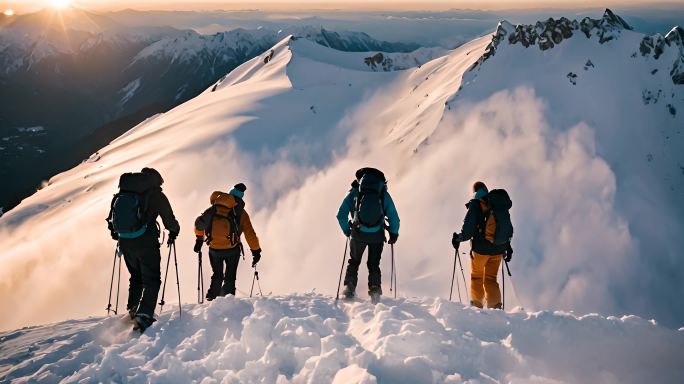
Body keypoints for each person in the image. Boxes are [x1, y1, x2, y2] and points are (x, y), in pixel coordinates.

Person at [107, 167, 180, 331]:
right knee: (152, 279)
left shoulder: (125, 192)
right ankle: (144, 315)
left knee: (136, 276)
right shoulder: (156, 194)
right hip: (146, 241)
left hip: (125, 240)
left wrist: (118, 235)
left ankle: (133, 309)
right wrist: (174, 231)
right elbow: (169, 219)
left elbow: (112, 217)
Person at [336, 168, 400, 301]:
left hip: (358, 233)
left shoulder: (355, 192)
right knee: (374, 264)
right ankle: (375, 289)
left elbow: (341, 214)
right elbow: (394, 217)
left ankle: (349, 289)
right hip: (377, 235)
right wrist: (393, 234)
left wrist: (347, 231)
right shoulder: (382, 193)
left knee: (354, 261)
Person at [194, 183, 261, 300]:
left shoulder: (214, 208)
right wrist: (256, 251)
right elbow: (250, 234)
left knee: (217, 274)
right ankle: (228, 300)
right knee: (230, 276)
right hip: (232, 250)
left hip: (214, 249)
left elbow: (200, 224)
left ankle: (212, 297)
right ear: (240, 197)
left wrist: (199, 240)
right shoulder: (241, 213)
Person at [452, 181, 513, 309]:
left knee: (477, 277)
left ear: (474, 191)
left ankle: (477, 306)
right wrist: (507, 246)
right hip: (499, 248)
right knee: (491, 278)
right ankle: (495, 307)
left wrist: (458, 238)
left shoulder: (476, 203)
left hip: (481, 250)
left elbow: (468, 230)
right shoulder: (497, 204)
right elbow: (505, 227)